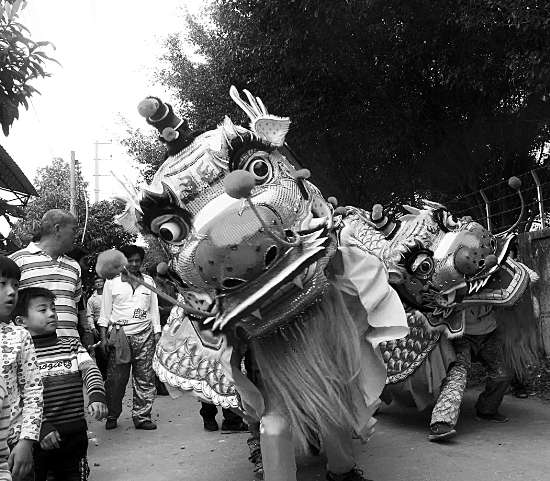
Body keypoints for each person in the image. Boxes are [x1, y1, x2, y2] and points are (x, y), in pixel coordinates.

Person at [14, 287, 107, 481]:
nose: (52, 314)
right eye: (43, 310)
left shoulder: (71, 345)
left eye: (53, 308)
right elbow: (18, 397)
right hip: (40, 438)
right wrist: (41, 426)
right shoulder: (20, 355)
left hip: (75, 435)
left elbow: (89, 368)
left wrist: (96, 395)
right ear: (21, 321)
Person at [98, 245, 161, 431]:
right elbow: (104, 313)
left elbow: (154, 310)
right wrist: (103, 338)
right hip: (120, 336)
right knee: (116, 379)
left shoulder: (149, 281)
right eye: (130, 260)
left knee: (145, 378)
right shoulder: (111, 282)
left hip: (146, 335)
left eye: (137, 261)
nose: (134, 264)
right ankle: (112, 414)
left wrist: (157, 333)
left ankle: (142, 416)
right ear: (123, 261)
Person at [429, 305, 511, 441]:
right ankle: (441, 421)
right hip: (460, 334)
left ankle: (487, 410)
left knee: (502, 374)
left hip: (489, 333)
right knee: (457, 374)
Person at [9, 210, 91, 343]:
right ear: (57, 228)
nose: (76, 235)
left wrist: (87, 333)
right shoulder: (18, 260)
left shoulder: (74, 266)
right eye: (73, 230)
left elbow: (77, 306)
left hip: (70, 349)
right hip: (32, 351)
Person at [0, 256, 43, 481]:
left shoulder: (19, 336)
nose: (11, 291)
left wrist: (27, 441)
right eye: (2, 284)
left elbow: (33, 391)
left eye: (15, 285)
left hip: (14, 449)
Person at [86, 276, 107, 377]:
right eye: (97, 282)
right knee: (99, 351)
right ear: (94, 285)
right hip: (98, 327)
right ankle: (102, 374)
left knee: (111, 349)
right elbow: (89, 315)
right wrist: (93, 328)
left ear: (104, 283)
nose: (99, 284)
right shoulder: (91, 299)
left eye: (100, 282)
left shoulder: (109, 296)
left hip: (109, 325)